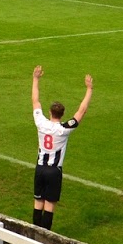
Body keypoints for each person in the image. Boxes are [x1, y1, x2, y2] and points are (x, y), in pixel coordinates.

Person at [30, 65, 93, 231]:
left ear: (50, 113)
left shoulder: (41, 123)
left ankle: (33, 236)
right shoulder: (64, 129)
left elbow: (35, 101)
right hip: (53, 171)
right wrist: (89, 89)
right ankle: (45, 238)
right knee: (49, 205)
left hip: (40, 168)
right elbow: (82, 111)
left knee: (38, 203)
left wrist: (36, 79)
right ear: (62, 114)